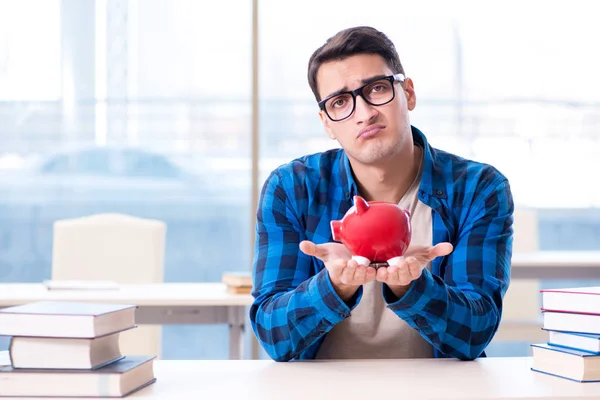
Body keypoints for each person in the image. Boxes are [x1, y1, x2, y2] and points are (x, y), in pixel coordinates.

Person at [249, 26, 514, 362]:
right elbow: (273, 336)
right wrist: (334, 286)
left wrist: (411, 287)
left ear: (409, 94)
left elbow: (476, 332)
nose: (364, 113)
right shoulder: (293, 188)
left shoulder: (478, 188)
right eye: (340, 102)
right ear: (327, 123)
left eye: (376, 89)